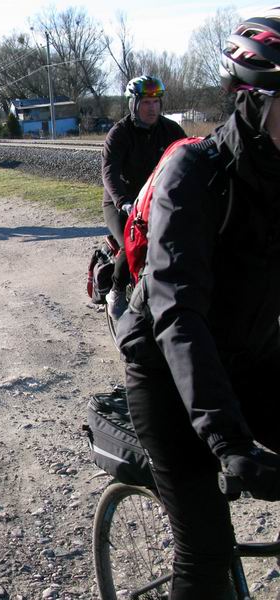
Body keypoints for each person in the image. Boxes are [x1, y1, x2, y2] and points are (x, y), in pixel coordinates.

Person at [116, 9, 280, 598]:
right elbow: (177, 313)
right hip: (167, 370)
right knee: (205, 558)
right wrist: (230, 441)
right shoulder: (196, 172)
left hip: (252, 357)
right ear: (255, 99)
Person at [102, 75, 186, 322]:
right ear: (134, 105)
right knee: (134, 242)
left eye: (156, 102)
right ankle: (116, 291)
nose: (152, 108)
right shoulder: (119, 134)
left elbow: (189, 156)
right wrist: (122, 201)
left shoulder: (171, 130)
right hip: (122, 204)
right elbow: (110, 172)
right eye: (146, 103)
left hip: (157, 202)